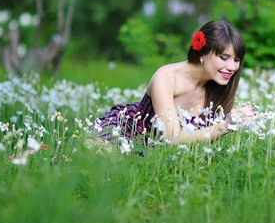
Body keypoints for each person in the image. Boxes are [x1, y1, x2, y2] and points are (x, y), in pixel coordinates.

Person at [95, 20, 255, 145]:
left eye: (237, 60)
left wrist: (238, 118)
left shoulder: (216, 87)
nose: (232, 67)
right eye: (224, 58)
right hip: (127, 133)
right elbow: (172, 138)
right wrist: (225, 125)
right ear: (203, 54)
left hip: (160, 153)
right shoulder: (166, 77)